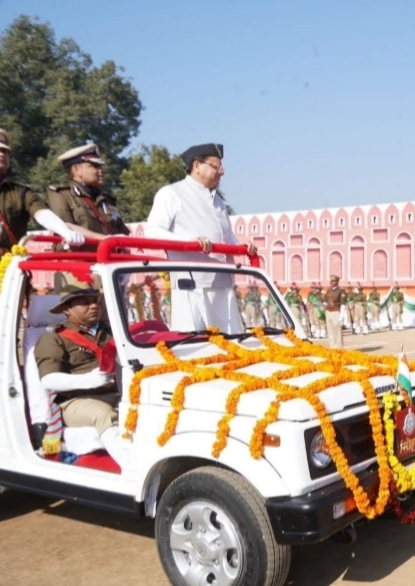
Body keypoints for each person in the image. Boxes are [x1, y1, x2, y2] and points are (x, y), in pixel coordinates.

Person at [144, 143, 257, 333]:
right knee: (193, 345)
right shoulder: (171, 193)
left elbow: (226, 238)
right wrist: (188, 242)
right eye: (216, 167)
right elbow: (152, 231)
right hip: (191, 285)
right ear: (197, 166)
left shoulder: (218, 201)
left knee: (232, 342)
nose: (222, 173)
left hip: (223, 283)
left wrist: (241, 245)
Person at [33, 286, 128, 468]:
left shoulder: (111, 331)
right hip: (74, 401)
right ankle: (133, 471)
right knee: (104, 415)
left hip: (115, 393)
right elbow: (48, 379)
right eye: (85, 302)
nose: (93, 306)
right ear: (66, 310)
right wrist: (88, 381)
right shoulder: (53, 338)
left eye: (95, 302)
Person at [0, 129, 87, 253]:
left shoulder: (19, 192)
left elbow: (41, 213)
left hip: (8, 267)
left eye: (5, 151)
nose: (2, 154)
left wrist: (65, 231)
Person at [47, 144, 130, 249]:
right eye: (95, 166)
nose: (101, 170)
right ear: (77, 169)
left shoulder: (107, 199)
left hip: (108, 260)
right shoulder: (60, 194)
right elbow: (65, 226)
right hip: (78, 262)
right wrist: (106, 240)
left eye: (101, 166)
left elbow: (122, 231)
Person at [324, 275, 347, 348]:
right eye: (331, 281)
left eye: (333, 281)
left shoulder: (341, 291)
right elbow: (325, 301)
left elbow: (343, 304)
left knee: (337, 330)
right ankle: (332, 346)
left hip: (336, 311)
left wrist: (341, 316)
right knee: (330, 329)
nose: (332, 282)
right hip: (328, 311)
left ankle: (339, 346)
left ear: (337, 282)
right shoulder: (329, 290)